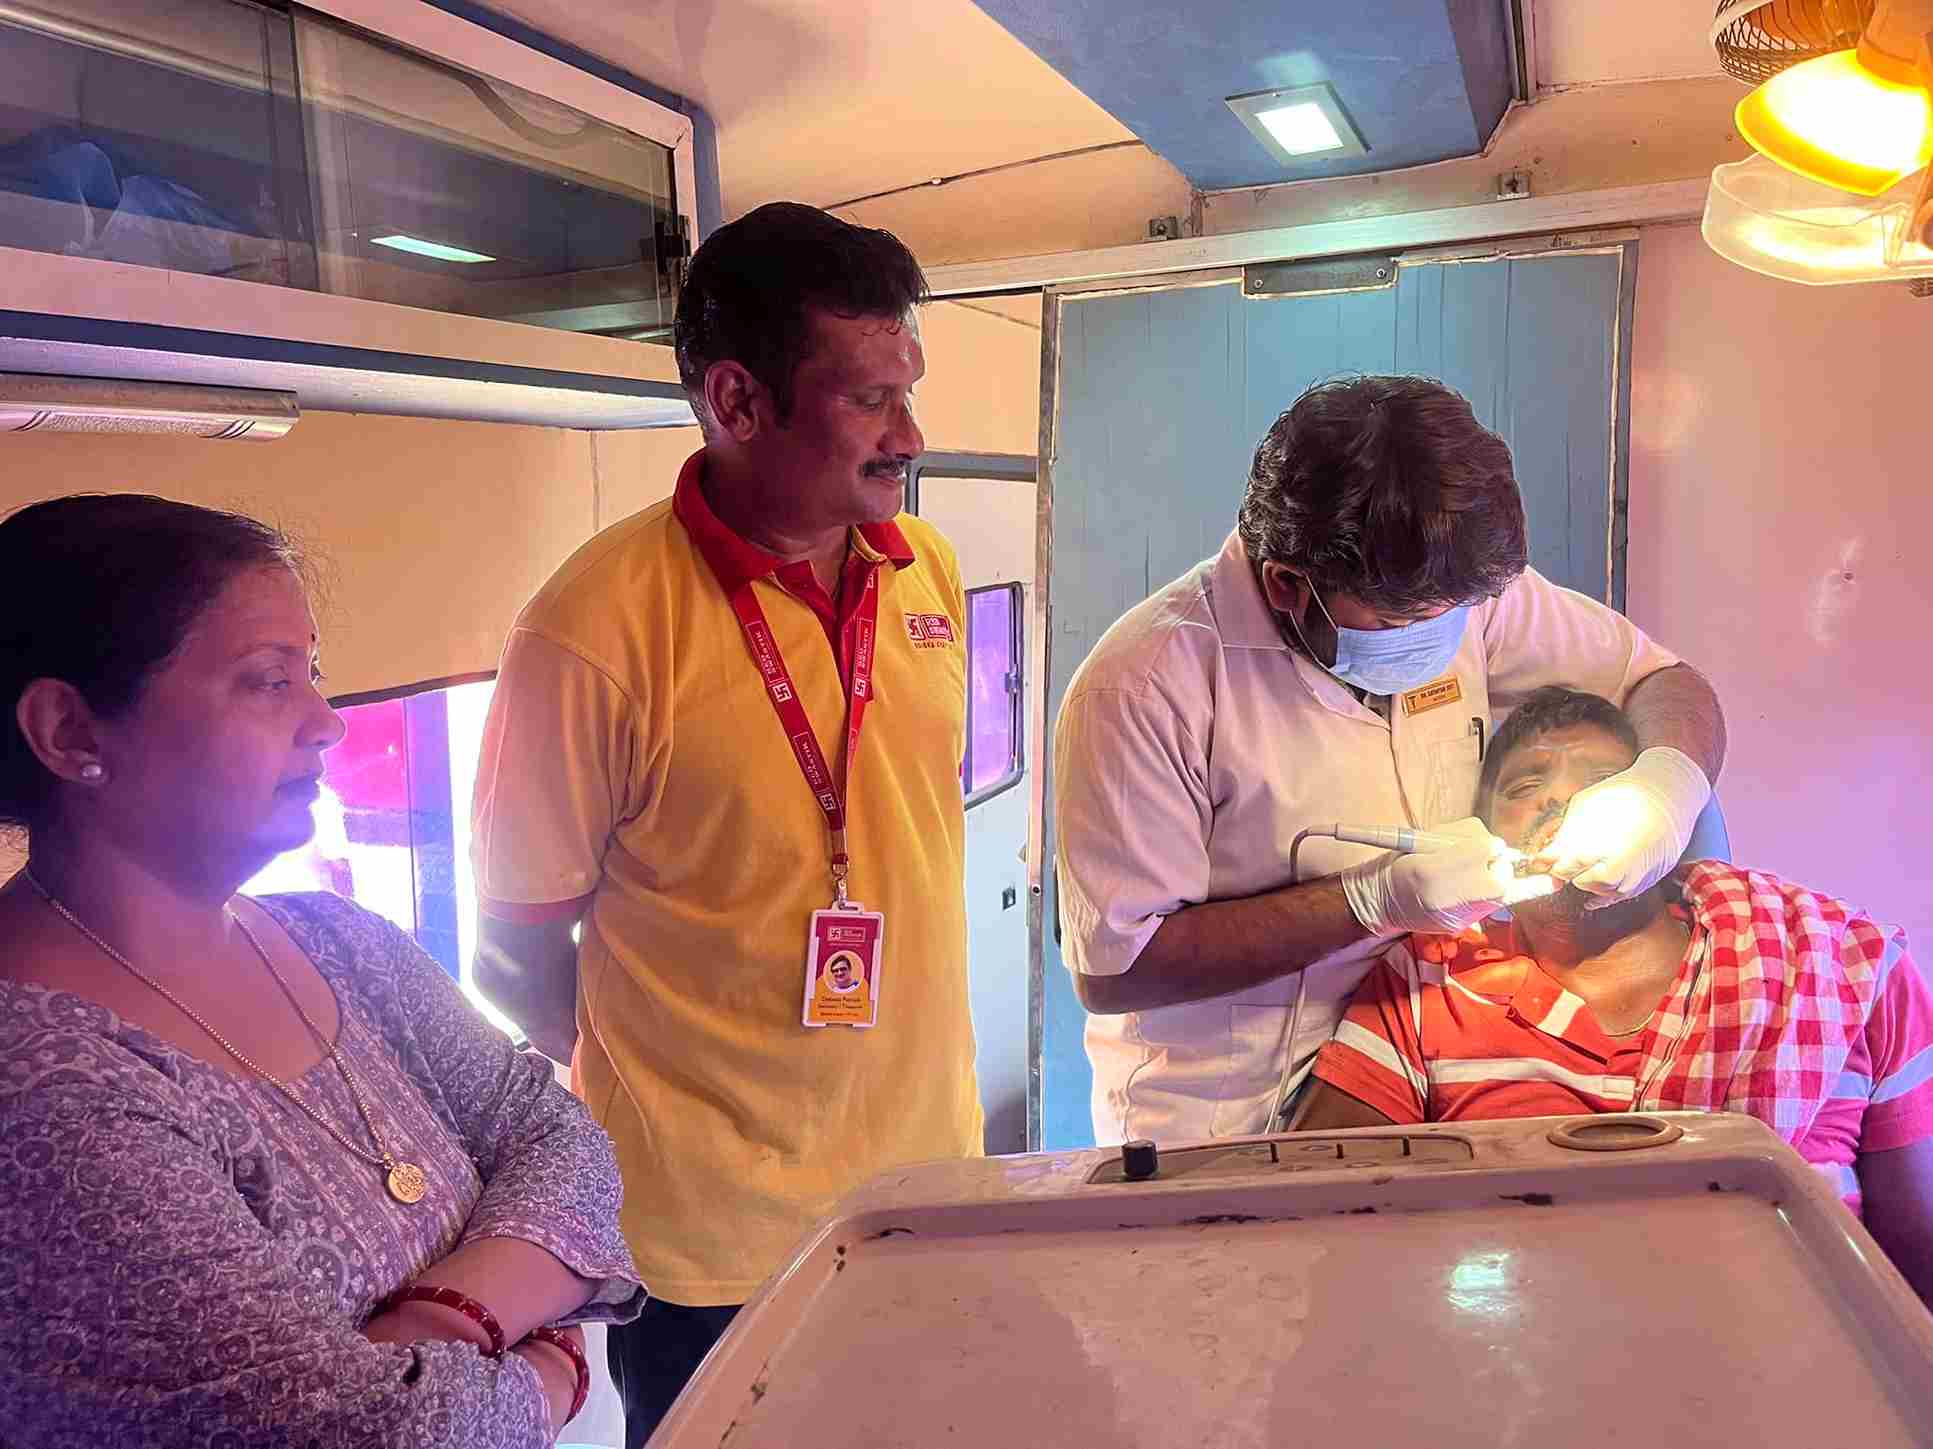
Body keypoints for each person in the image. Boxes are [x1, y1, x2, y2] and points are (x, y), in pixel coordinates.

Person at [470, 202, 982, 1444]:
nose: (909, 437)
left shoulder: (925, 568)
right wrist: (680, 1095)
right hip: (706, 1241)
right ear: (739, 402)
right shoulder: (591, 630)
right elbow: (512, 948)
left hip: (926, 1178)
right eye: (870, 400)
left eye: (909, 392)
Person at [0, 494, 643, 1446]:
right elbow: (369, 1435)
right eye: (268, 681)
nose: (327, 723)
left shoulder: (338, 941)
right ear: (70, 731)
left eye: (314, 674)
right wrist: (549, 1354)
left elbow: (561, 1136)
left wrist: (438, 1323)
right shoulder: (42, 1087)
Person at [1054, 376, 1728, 1145]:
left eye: (1455, 614)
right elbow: (1116, 968)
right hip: (1219, 1115)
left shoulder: (1466, 596)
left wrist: (1663, 788)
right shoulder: (1145, 685)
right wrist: (1370, 901)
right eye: (1401, 621)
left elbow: (1664, 683)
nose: (1441, 635)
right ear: (1287, 585)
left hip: (1424, 1070)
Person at [1298, 685, 1933, 1302]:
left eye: (1603, 782)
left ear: (1667, 820)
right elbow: (1326, 1219)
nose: (1559, 798)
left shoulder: (1836, 964)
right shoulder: (1432, 976)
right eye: (1524, 787)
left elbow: (1917, 1250)